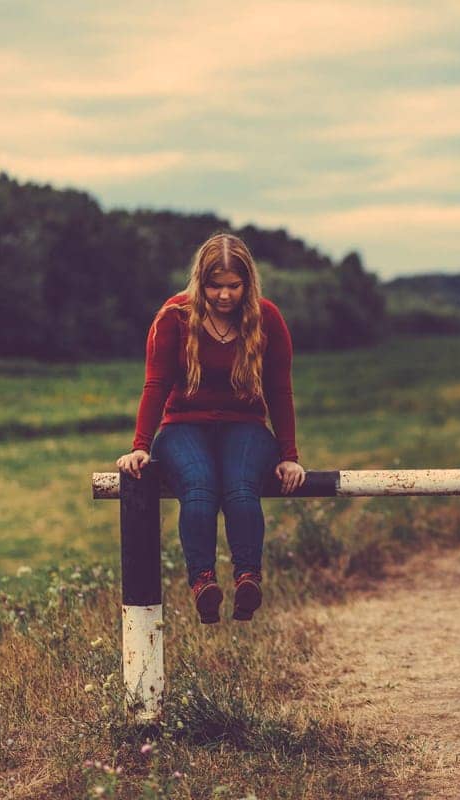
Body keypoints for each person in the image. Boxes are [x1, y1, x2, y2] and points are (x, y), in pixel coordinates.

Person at [116, 232, 306, 624]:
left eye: (233, 287)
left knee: (240, 488)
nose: (223, 296)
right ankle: (203, 583)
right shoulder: (175, 316)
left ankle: (248, 580)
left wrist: (289, 457)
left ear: (248, 283)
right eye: (214, 286)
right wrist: (140, 445)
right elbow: (156, 384)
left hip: (246, 425)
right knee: (199, 488)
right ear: (200, 282)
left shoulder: (267, 318)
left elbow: (280, 389)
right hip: (184, 425)